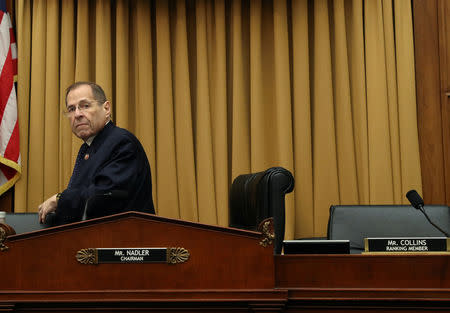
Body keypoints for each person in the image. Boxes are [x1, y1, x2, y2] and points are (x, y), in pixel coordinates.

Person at [38, 82, 155, 225]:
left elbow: (102, 197)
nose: (78, 114)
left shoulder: (122, 142)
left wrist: (59, 200)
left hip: (125, 240)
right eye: (71, 109)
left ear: (106, 108)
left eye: (85, 106)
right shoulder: (88, 148)